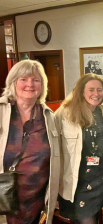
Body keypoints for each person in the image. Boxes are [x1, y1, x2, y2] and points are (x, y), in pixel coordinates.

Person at [0, 59, 60, 224]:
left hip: (37, 202)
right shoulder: (2, 112)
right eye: (24, 79)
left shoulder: (49, 117)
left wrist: (54, 195)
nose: (30, 84)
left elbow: (58, 157)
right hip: (4, 200)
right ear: (14, 82)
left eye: (36, 80)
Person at [55, 73, 103, 224]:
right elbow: (54, 150)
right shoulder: (65, 113)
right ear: (81, 91)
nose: (96, 94)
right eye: (91, 89)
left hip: (98, 180)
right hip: (76, 183)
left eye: (100, 90)